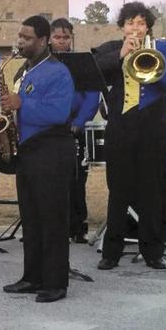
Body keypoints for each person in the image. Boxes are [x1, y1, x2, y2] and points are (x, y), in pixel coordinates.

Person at [93, 2, 166, 271]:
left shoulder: (163, 48)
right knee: (118, 191)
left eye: (141, 23)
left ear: (148, 26)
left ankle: (152, 251)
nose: (136, 28)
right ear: (122, 27)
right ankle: (111, 251)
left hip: (152, 127)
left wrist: (155, 61)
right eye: (131, 23)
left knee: (151, 191)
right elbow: (96, 72)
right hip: (121, 127)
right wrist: (122, 54)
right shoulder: (110, 49)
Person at [1, 16, 75, 303]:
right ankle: (32, 276)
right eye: (20, 36)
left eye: (27, 38)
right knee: (31, 218)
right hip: (30, 150)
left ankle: (55, 283)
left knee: (52, 219)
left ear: (43, 41)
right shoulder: (27, 70)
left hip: (52, 148)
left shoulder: (58, 72)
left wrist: (22, 104)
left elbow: (58, 113)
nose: (20, 41)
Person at [49, 18, 100, 243]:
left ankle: (77, 226)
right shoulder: (41, 62)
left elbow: (92, 97)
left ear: (72, 38)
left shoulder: (82, 63)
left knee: (75, 181)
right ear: (49, 39)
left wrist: (79, 121)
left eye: (65, 38)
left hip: (73, 127)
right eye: (57, 38)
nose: (61, 42)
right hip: (48, 127)